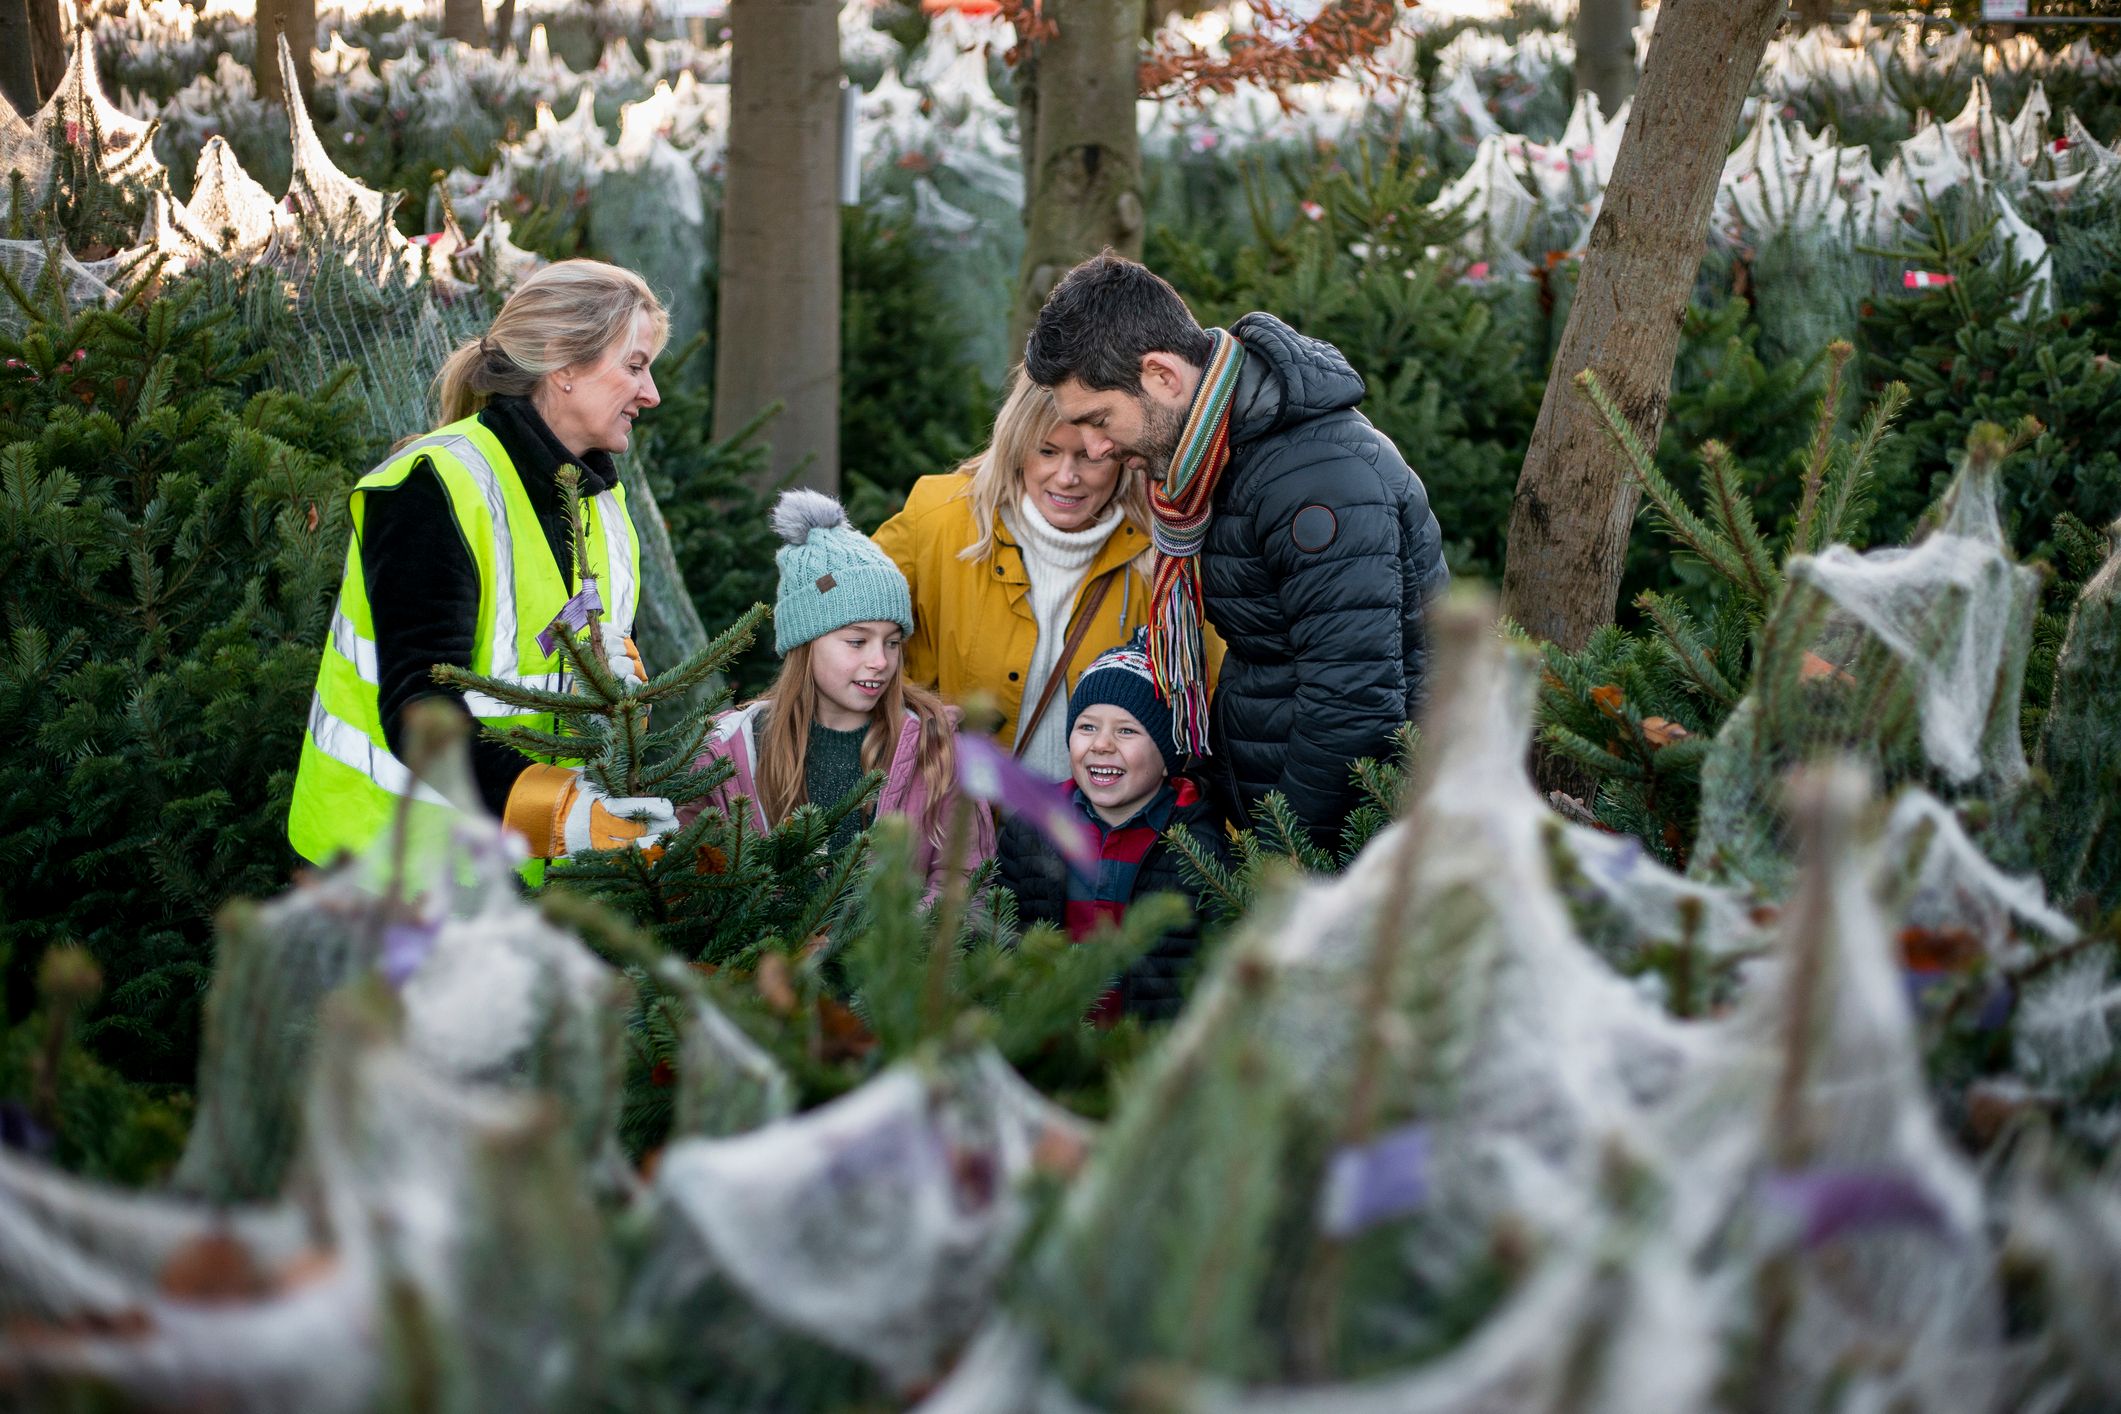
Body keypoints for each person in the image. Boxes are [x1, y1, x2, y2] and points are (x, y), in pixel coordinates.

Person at [1023, 253, 1449, 844]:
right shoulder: (1222, 465)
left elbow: (1352, 707)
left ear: (1162, 377)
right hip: (1272, 812)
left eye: (1099, 420)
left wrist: (1285, 864)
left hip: (1340, 846)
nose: (1094, 449)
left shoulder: (1312, 481)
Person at [288, 260, 678, 871]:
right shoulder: (431, 486)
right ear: (561, 361)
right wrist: (562, 813)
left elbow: (561, 666)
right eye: (634, 366)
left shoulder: (601, 500)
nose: (652, 394)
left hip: (514, 879)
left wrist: (622, 690)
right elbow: (420, 709)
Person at [873, 369, 1219, 782]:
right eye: (1047, 451)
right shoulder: (937, 521)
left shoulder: (1165, 554)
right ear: (1017, 447)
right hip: (961, 823)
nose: (1066, 477)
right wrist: (911, 714)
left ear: (1125, 455)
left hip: (1101, 835)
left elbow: (1210, 698)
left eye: (1090, 457)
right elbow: (848, 631)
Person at [684, 489, 994, 890]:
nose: (880, 661)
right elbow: (688, 880)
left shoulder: (935, 748)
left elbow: (965, 881)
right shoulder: (729, 750)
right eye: (857, 641)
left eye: (892, 642)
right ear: (805, 644)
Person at [995, 631, 1229, 1023]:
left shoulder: (1197, 843)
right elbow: (998, 936)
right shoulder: (1033, 829)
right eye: (1087, 727)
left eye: (1126, 730)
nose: (1101, 744)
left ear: (1169, 754)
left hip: (1149, 1052)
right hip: (1050, 1044)